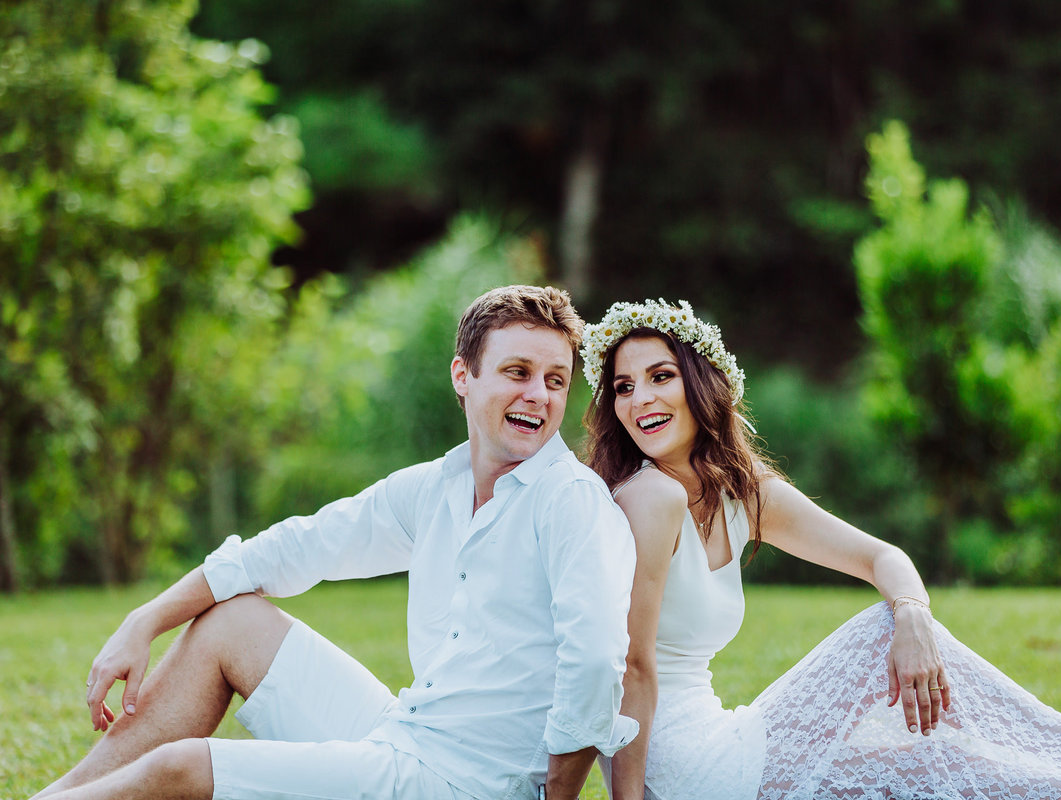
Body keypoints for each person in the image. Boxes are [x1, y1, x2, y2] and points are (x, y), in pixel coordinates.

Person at [33, 285, 638, 800]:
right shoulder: (436, 487)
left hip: (465, 785)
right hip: (408, 731)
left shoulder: (569, 502)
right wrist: (147, 619)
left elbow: (594, 663)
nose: (540, 394)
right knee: (231, 622)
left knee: (181, 767)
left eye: (556, 380)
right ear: (464, 375)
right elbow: (298, 546)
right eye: (518, 372)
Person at [580, 298, 1061, 800]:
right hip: (680, 770)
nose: (640, 401)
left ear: (699, 385)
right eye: (623, 387)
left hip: (721, 740)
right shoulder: (649, 498)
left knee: (922, 753)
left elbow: (883, 558)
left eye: (660, 377)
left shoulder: (744, 493)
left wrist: (914, 618)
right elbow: (628, 667)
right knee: (883, 638)